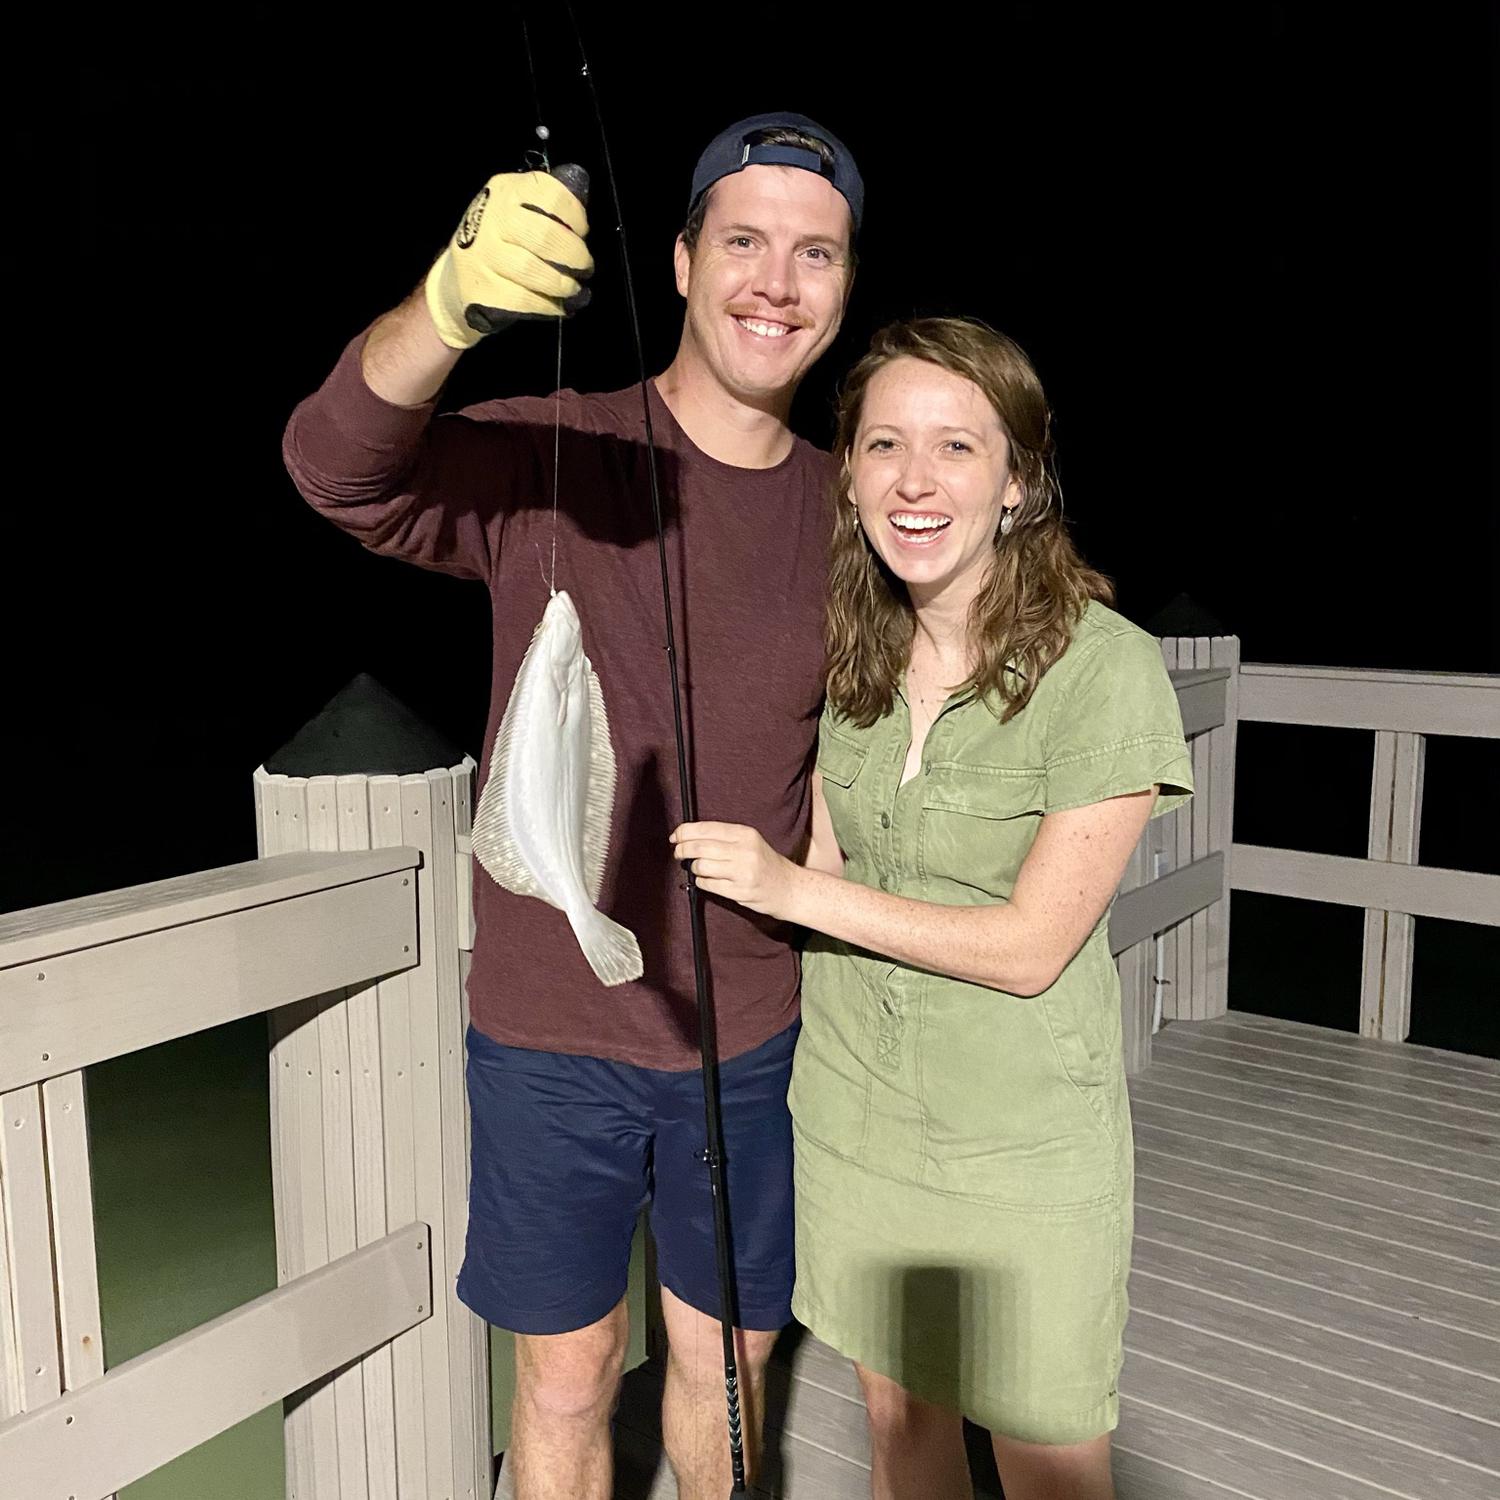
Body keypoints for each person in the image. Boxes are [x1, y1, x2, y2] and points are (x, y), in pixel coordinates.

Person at [282, 113, 862, 1500]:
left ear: (845, 285)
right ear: (677, 261)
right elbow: (334, 467)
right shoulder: (559, 451)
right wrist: (444, 307)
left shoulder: (855, 508)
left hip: (752, 1034)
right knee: (563, 1375)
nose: (776, 280)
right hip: (552, 1033)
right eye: (743, 242)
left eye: (815, 252)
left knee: (728, 1370)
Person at [671, 317, 1193, 1500]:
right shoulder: (846, 662)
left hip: (1019, 1138)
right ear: (847, 477)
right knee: (902, 1426)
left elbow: (1029, 948)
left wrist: (794, 889)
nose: (916, 480)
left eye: (959, 447)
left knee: (1048, 1455)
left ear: (1019, 482)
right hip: (853, 1112)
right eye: (884, 445)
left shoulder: (1104, 668)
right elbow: (814, 843)